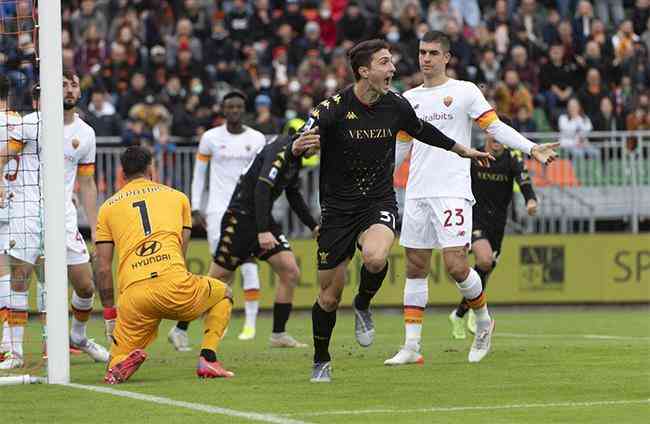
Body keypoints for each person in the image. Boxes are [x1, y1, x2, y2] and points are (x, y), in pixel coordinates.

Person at [296, 38, 495, 383]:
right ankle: (321, 359)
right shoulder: (333, 107)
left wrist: (462, 150)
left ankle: (363, 303)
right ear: (364, 71)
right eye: (385, 63)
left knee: (375, 258)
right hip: (337, 208)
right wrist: (299, 145)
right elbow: (305, 132)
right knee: (329, 296)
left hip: (377, 201)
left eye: (391, 62)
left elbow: (423, 131)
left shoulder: (396, 104)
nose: (392, 69)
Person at [384, 31, 558, 367]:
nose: (426, 59)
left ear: (447, 57)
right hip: (418, 191)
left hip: (452, 189)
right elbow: (402, 148)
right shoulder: (408, 99)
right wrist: (375, 180)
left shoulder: (464, 91)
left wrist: (531, 147)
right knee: (416, 266)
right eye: (422, 52)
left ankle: (482, 322)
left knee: (456, 266)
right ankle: (411, 345)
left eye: (433, 53)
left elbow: (495, 127)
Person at [0, 71, 110, 370]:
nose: (70, 89)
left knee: (85, 286)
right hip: (26, 208)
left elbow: (86, 184)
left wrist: (98, 228)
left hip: (63, 214)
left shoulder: (86, 133)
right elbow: (3, 156)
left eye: (74, 84)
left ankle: (77, 335)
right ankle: (14, 351)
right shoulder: (31, 123)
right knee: (21, 278)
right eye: (63, 84)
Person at [96, 146, 234, 384]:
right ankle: (208, 358)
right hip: (174, 284)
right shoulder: (178, 197)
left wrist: (110, 314)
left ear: (122, 172)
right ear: (151, 168)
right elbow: (181, 251)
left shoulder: (107, 207)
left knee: (115, 361)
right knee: (225, 294)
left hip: (134, 296)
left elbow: (103, 267)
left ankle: (120, 363)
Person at [196, 129, 321, 349]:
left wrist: (313, 225)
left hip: (261, 218)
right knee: (218, 278)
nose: (318, 151)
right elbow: (262, 188)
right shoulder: (280, 150)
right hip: (241, 217)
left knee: (290, 271)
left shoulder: (295, 158)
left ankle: (278, 334)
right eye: (317, 146)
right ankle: (180, 327)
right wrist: (263, 231)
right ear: (306, 138)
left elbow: (293, 194)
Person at [169, 91, 266, 350]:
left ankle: (242, 325)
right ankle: (189, 327)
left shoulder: (256, 139)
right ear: (223, 110)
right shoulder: (210, 138)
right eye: (230, 106)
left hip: (246, 211)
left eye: (239, 106)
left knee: (240, 267)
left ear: (244, 110)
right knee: (221, 274)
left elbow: (260, 178)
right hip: (217, 211)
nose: (234, 110)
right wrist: (196, 206)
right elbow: (199, 175)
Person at [449, 131, 538, 339]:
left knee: (485, 270)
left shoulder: (513, 157)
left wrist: (530, 199)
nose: (498, 141)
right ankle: (475, 311)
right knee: (485, 259)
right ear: (488, 135)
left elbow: (523, 179)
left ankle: (460, 313)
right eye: (496, 136)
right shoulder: (475, 154)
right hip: (474, 217)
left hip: (498, 224)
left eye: (503, 138)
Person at [0, 75, 22, 361]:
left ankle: (7, 343)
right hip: (20, 201)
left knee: (3, 271)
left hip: (2, 195)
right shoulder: (23, 121)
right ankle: (8, 339)